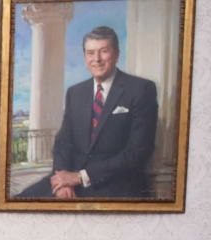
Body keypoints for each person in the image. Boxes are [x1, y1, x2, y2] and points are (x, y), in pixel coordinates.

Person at [17, 26, 157, 199]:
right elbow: (63, 143)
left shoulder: (141, 89)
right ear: (85, 57)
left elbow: (138, 152)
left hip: (115, 184)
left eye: (103, 51)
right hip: (71, 180)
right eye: (90, 53)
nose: (96, 59)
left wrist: (81, 177)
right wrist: (62, 180)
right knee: (20, 200)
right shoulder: (75, 92)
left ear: (116, 54)